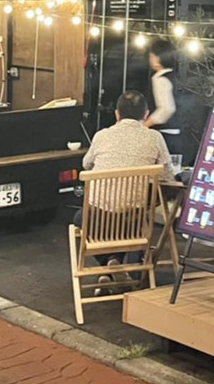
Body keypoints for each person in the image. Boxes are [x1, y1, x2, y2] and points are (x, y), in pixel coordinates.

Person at [74, 89, 175, 292]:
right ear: (146, 114)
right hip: (133, 221)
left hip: (98, 219)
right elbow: (167, 175)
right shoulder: (154, 138)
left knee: (79, 218)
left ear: (117, 114)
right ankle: (114, 265)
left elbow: (86, 164)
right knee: (132, 220)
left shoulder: (102, 136)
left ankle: (108, 265)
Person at [145, 38, 180, 157]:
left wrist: (145, 125)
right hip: (178, 134)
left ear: (158, 58)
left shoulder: (160, 79)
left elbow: (166, 109)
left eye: (152, 56)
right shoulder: (176, 77)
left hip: (163, 135)